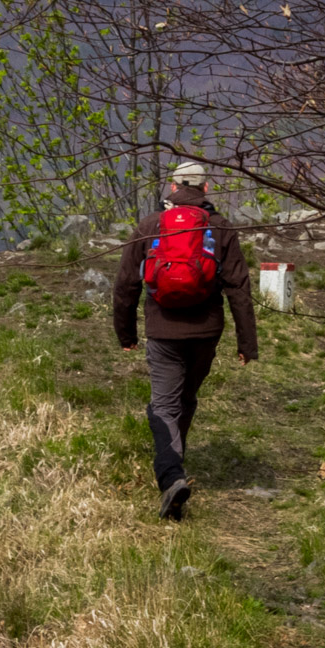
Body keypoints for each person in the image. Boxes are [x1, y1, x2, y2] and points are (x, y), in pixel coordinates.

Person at [112, 160, 259, 520]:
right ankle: (175, 467)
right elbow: (239, 287)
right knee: (185, 398)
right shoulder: (221, 228)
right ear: (206, 189)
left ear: (172, 188)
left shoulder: (150, 227)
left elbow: (125, 285)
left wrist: (126, 333)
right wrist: (247, 343)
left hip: (162, 331)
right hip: (206, 332)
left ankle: (171, 476)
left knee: (163, 404)